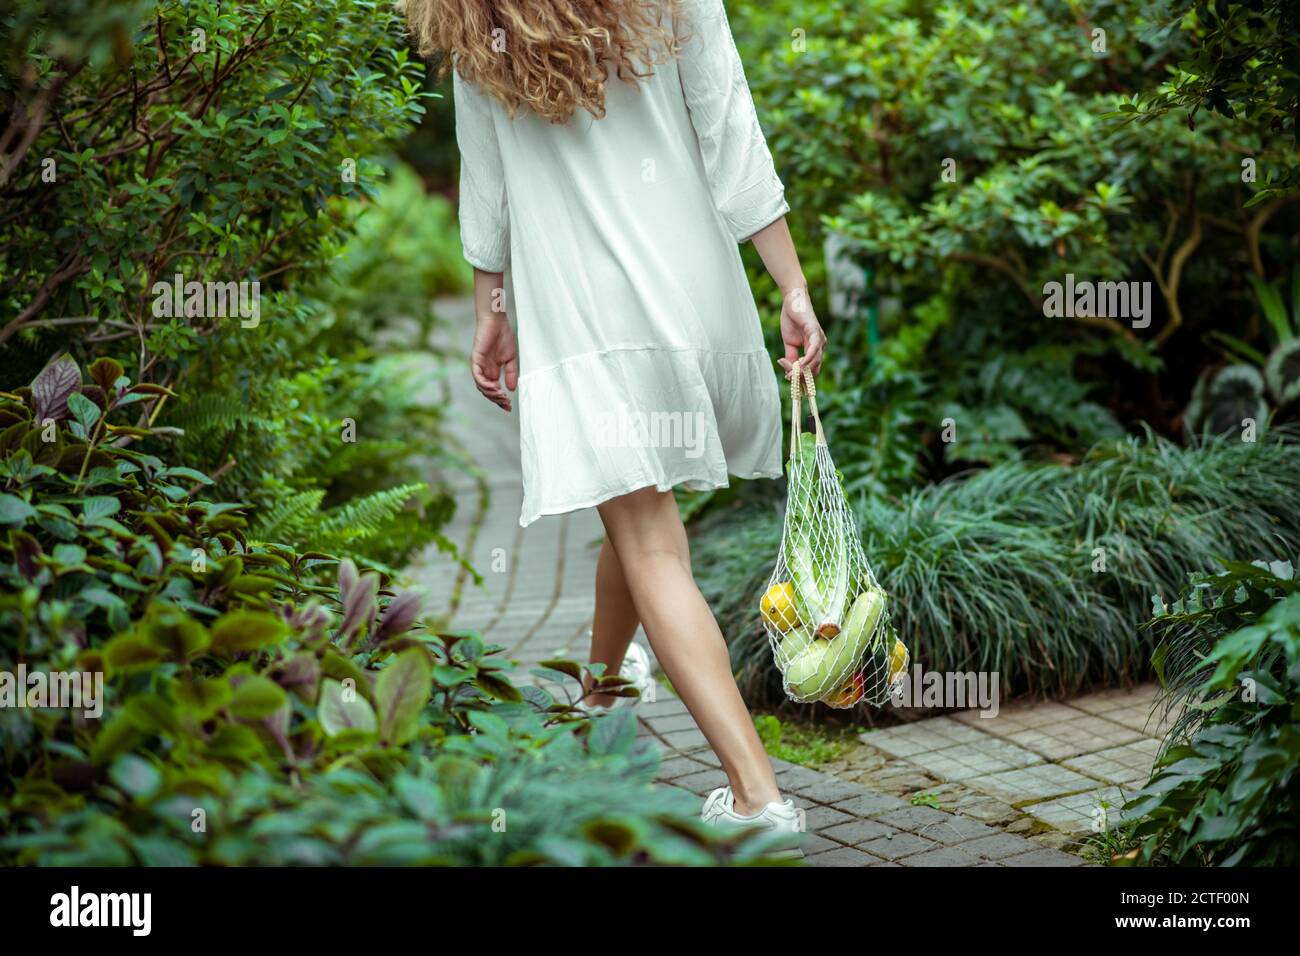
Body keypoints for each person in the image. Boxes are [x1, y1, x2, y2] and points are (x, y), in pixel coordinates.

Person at [400, 0, 827, 837]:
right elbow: (730, 128)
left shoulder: (476, 20)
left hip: (592, 321)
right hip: (693, 300)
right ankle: (602, 697)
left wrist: (492, 311)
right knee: (637, 516)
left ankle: (758, 798)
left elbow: (485, 192)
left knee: (649, 540)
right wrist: (792, 287)